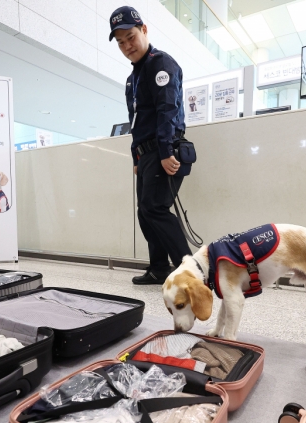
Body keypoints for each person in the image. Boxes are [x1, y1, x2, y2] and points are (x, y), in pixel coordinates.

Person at [110, 6, 192, 285]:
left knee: (155, 209)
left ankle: (191, 273)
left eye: (130, 37)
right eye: (120, 42)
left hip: (163, 149)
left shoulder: (161, 64)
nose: (126, 46)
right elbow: (135, 122)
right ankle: (159, 268)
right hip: (146, 153)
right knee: (145, 211)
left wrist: (167, 151)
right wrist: (136, 158)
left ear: (144, 30)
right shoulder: (132, 79)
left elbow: (167, 109)